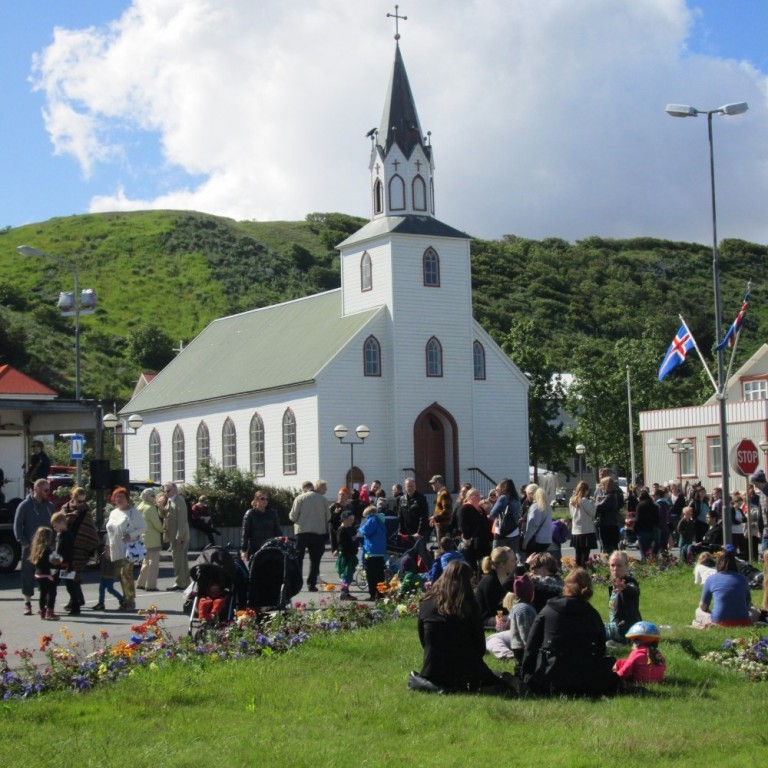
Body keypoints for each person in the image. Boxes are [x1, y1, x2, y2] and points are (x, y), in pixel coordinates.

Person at [412, 560, 514, 693]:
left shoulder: (426, 602)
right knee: (503, 685)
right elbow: (480, 647)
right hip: (465, 670)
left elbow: (423, 639)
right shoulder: (468, 605)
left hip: (432, 670)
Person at [521, 568, 620, 696]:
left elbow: (531, 645)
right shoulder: (592, 614)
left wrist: (526, 673)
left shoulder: (548, 610)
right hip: (586, 679)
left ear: (566, 586)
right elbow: (601, 649)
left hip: (551, 676)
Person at [13, 477, 54, 615]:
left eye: (48, 490)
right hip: (30, 547)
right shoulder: (25, 505)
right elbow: (17, 525)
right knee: (27, 574)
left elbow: (54, 525)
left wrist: (53, 543)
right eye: (45, 490)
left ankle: (45, 605)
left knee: (46, 576)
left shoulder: (49, 506)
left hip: (46, 547)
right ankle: (27, 603)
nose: (48, 492)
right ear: (36, 489)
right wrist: (23, 542)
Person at [105, 486, 146, 612]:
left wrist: (131, 535)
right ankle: (125, 598)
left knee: (125, 573)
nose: (119, 499)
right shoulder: (113, 513)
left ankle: (129, 600)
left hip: (128, 548)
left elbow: (143, 527)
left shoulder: (133, 512)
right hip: (116, 547)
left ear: (127, 499)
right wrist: (107, 546)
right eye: (117, 497)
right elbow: (110, 531)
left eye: (121, 497)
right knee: (120, 575)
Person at [60, 486, 100, 612]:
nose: (82, 503)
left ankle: (74, 601)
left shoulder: (86, 511)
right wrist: (68, 517)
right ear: (73, 497)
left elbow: (89, 529)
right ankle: (77, 598)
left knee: (76, 577)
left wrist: (92, 546)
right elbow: (58, 522)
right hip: (66, 546)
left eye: (83, 500)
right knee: (67, 577)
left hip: (80, 547)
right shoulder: (65, 508)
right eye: (79, 501)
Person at [485, 574, 537, 672]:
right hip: (521, 646)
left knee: (522, 667)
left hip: (516, 645)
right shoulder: (523, 609)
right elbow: (524, 630)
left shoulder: (518, 607)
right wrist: (530, 647)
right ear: (530, 593)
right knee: (526, 668)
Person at [694, 547, 753, 627]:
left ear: (718, 564)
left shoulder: (711, 579)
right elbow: (748, 605)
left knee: (698, 611)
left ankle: (705, 624)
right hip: (742, 620)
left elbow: (703, 606)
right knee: (755, 611)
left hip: (719, 620)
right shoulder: (743, 579)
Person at [289, 480, 330, 592]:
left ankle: (297, 583)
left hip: (302, 532)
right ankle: (311, 584)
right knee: (315, 560)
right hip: (318, 533)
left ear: (304, 488)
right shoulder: (323, 499)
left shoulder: (300, 498)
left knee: (299, 559)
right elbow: (328, 517)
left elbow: (292, 517)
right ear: (312, 487)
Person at [606, 550, 641, 645]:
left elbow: (634, 591)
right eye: (612, 565)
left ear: (626, 566)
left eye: (619, 565)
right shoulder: (613, 585)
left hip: (626, 629)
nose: (615, 569)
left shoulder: (630, 582)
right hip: (614, 627)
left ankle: (622, 643)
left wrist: (624, 588)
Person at [474, 546, 516, 625]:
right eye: (512, 561)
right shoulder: (489, 582)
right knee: (515, 618)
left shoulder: (507, 578)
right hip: (487, 618)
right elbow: (493, 610)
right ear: (502, 564)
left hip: (500, 615)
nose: (515, 563)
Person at [457, 487, 492, 575]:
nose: (479, 497)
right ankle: (476, 578)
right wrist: (467, 538)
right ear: (469, 497)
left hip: (484, 539)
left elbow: (486, 523)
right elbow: (462, 524)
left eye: (479, 495)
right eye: (476, 495)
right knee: (473, 561)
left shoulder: (481, 509)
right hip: (472, 540)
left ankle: (483, 575)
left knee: (485, 559)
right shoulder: (464, 508)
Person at [241, 489, 282, 562]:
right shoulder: (250, 514)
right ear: (256, 500)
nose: (265, 500)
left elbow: (278, 532)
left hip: (270, 548)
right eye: (262, 498)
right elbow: (245, 534)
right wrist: (244, 550)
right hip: (255, 549)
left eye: (267, 499)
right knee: (255, 572)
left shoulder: (273, 513)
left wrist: (281, 545)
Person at [163, 482, 190, 591]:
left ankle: (180, 582)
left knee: (178, 559)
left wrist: (180, 536)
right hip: (173, 534)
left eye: (168, 491)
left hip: (179, 535)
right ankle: (186, 582)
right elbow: (165, 515)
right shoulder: (170, 500)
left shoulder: (179, 500)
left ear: (174, 490)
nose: (166, 493)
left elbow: (182, 520)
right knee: (181, 559)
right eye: (165, 490)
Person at [51, 511, 79, 615]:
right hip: (61, 565)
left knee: (68, 586)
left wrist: (66, 563)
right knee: (58, 585)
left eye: (55, 525)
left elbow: (68, 552)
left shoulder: (67, 536)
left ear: (62, 523)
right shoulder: (60, 535)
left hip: (65, 565)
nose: (54, 528)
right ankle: (51, 605)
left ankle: (75, 606)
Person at [29, 525, 60, 621]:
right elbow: (52, 561)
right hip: (47, 574)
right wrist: (58, 561)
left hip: (38, 574)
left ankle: (42, 611)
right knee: (52, 593)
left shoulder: (36, 549)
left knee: (42, 593)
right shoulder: (47, 550)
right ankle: (49, 612)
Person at [397, 477, 430, 563]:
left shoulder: (421, 498)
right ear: (405, 487)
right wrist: (400, 532)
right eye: (408, 486)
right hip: (407, 532)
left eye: (412, 486)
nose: (410, 488)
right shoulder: (402, 499)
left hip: (419, 532)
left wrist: (419, 532)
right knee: (409, 555)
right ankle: (412, 573)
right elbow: (400, 517)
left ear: (415, 486)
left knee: (422, 554)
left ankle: (429, 573)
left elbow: (424, 516)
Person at [136, 487, 163, 591]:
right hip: (153, 538)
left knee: (145, 562)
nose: (154, 497)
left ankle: (141, 583)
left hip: (143, 538)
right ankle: (151, 585)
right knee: (153, 563)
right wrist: (163, 529)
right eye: (152, 495)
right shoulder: (150, 508)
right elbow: (157, 524)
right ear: (147, 497)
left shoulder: (139, 506)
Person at [490, 478, 523, 561]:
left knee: (496, 557)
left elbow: (492, 513)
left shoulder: (503, 498)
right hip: (514, 531)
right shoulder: (517, 498)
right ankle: (511, 573)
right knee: (511, 558)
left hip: (501, 531)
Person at [359, 504, 387, 601]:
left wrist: (360, 528)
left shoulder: (372, 519)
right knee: (380, 575)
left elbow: (366, 531)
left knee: (371, 575)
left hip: (371, 551)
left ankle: (372, 594)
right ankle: (381, 594)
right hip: (380, 552)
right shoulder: (381, 520)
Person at [91, 531, 124, 610]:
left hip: (109, 572)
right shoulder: (106, 537)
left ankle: (122, 599)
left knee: (110, 588)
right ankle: (101, 603)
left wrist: (109, 554)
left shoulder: (113, 554)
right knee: (101, 588)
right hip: (104, 571)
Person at [569, 480, 597, 567]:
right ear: (585, 490)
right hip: (586, 530)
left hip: (576, 531)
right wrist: (593, 503)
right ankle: (583, 571)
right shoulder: (584, 500)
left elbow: (571, 514)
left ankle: (577, 570)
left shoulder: (572, 500)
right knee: (585, 554)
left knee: (578, 553)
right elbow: (593, 512)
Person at [521, 485, 552, 555]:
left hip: (537, 540)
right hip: (547, 539)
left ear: (530, 494)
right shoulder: (547, 505)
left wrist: (525, 542)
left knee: (532, 562)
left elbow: (532, 526)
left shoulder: (535, 506)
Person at [335, 510, 358, 601]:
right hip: (346, 555)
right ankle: (344, 592)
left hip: (350, 554)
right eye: (349, 519)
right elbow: (341, 543)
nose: (351, 521)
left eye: (352, 519)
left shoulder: (350, 528)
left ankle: (346, 592)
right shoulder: (341, 530)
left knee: (349, 575)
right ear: (343, 520)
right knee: (346, 575)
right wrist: (352, 540)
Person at [596, 477, 623, 554]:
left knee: (607, 548)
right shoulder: (613, 495)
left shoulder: (609, 497)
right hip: (612, 524)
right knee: (612, 547)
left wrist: (597, 502)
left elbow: (598, 508)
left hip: (607, 525)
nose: (601, 487)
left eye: (602, 485)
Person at [634, 490, 659, 559]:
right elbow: (658, 519)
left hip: (642, 530)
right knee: (650, 551)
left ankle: (645, 564)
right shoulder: (655, 506)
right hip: (652, 530)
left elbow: (638, 519)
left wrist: (635, 530)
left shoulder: (640, 506)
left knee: (644, 553)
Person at [429, 475, 453, 541]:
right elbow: (440, 510)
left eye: (433, 483)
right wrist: (434, 519)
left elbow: (447, 510)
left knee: (442, 546)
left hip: (443, 525)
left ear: (438, 482)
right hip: (440, 525)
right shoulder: (440, 493)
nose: (432, 485)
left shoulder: (444, 494)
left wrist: (435, 517)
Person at [328, 487, 352, 555]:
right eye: (340, 494)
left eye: (343, 494)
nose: (341, 496)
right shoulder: (334, 506)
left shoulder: (349, 506)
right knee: (338, 552)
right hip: (336, 531)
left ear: (347, 496)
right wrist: (335, 513)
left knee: (346, 550)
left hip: (346, 530)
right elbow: (329, 519)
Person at [750, 470, 768, 555]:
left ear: (761, 481)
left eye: (756, 483)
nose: (755, 486)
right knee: (765, 554)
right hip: (765, 529)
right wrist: (759, 530)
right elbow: (760, 514)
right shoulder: (761, 494)